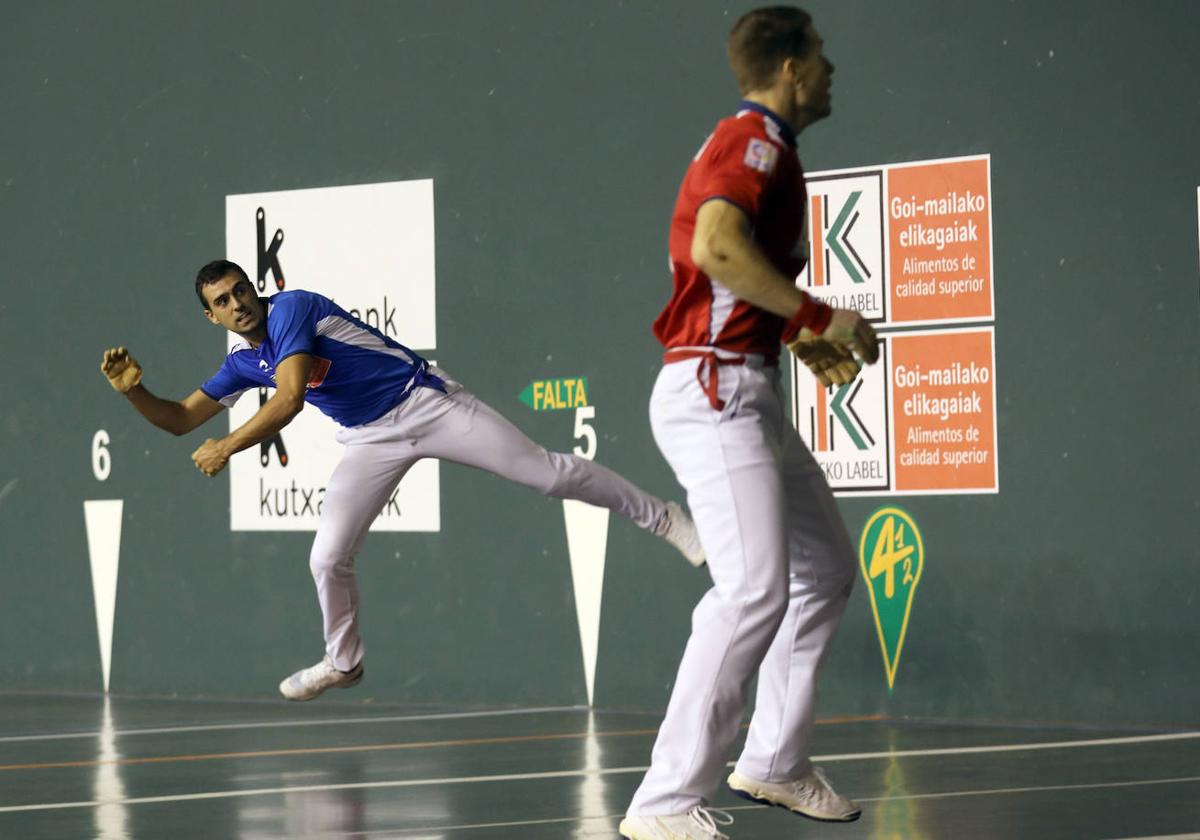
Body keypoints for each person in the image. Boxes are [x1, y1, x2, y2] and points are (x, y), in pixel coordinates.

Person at [100, 259, 705, 701]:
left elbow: (287, 401)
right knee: (326, 557)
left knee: (546, 474)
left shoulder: (293, 308)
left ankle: (666, 517)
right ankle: (344, 663)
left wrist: (228, 446)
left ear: (256, 290)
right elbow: (179, 419)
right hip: (369, 440)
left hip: (427, 403)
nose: (238, 303)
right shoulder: (241, 362)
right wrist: (136, 395)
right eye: (223, 302)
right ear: (212, 317)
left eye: (241, 290)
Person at [618, 7, 880, 840]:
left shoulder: (771, 151)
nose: (833, 71)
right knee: (752, 589)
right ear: (793, 67)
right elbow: (716, 249)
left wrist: (791, 332)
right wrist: (818, 314)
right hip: (714, 392)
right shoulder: (754, 140)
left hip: (745, 385)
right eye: (823, 57)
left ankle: (773, 759)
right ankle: (661, 802)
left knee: (825, 569)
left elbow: (734, 281)